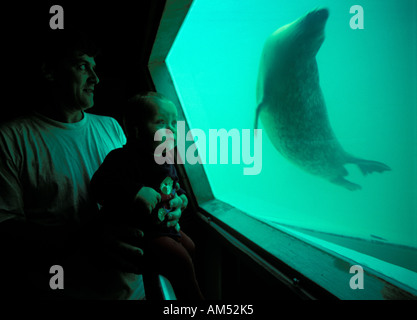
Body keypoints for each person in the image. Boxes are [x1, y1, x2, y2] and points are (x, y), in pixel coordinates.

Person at [0, 30, 184, 299]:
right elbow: (5, 229)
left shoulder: (111, 126)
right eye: (82, 66)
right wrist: (84, 241)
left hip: (136, 291)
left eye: (95, 68)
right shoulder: (10, 138)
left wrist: (173, 203)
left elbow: (146, 181)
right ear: (49, 71)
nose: (95, 78)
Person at [90, 92, 204, 300]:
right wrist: (134, 191)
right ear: (136, 131)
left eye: (173, 123)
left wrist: (182, 197)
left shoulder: (165, 158)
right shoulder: (121, 158)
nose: (170, 130)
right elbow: (98, 185)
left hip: (165, 228)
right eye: (161, 123)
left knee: (190, 248)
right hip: (144, 232)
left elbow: (172, 185)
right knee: (181, 264)